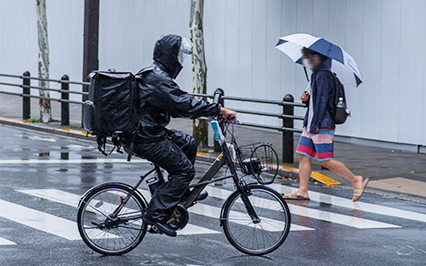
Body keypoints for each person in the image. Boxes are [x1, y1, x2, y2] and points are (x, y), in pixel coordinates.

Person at [124, 34, 236, 237]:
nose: (180, 61)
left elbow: (175, 106)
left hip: (148, 132)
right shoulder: (158, 79)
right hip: (146, 138)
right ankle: (156, 214)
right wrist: (219, 110)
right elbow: (185, 103)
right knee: (184, 171)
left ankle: (180, 192)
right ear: (170, 56)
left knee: (188, 142)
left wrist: (201, 109)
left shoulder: (156, 75)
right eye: (179, 56)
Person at [283, 47, 369, 202]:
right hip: (312, 124)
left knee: (325, 160)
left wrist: (315, 125)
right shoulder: (318, 74)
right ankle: (302, 190)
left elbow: (323, 103)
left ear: (317, 57)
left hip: (320, 125)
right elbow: (318, 102)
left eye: (309, 57)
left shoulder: (323, 75)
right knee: (303, 155)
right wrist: (307, 99)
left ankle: (355, 180)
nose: (307, 60)